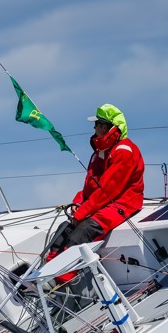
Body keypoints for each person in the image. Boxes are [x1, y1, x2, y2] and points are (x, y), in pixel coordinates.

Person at [47, 103, 145, 256]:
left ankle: (64, 279)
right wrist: (78, 202)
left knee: (80, 235)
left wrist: (81, 214)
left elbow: (107, 190)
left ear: (105, 128)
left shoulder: (124, 152)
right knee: (62, 233)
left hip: (122, 203)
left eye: (96, 125)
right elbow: (91, 185)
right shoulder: (101, 152)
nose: (94, 129)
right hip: (101, 204)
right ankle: (49, 277)